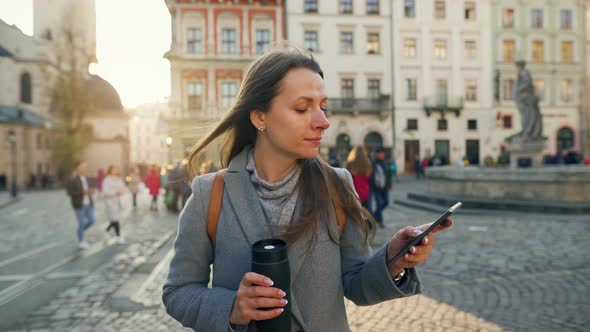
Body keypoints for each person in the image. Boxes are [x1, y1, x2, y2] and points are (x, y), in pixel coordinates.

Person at [162, 46, 452, 332]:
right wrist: (232, 308)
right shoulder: (209, 193)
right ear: (260, 117)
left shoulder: (338, 185)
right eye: (302, 108)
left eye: (323, 107)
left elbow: (356, 284)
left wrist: (393, 259)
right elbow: (178, 291)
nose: (323, 122)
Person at [66, 161, 95, 249]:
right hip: (79, 204)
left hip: (89, 203)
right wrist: (82, 192)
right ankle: (81, 241)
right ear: (77, 168)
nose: (85, 168)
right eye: (83, 166)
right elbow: (69, 192)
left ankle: (80, 231)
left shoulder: (88, 178)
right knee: (81, 223)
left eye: (85, 166)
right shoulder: (72, 179)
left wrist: (91, 191)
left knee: (91, 221)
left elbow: (92, 188)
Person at [102, 165, 126, 244]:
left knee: (115, 219)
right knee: (115, 220)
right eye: (114, 169)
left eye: (116, 169)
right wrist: (115, 193)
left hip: (118, 202)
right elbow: (105, 192)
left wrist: (121, 192)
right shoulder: (107, 180)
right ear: (110, 170)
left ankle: (107, 230)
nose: (115, 171)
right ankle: (118, 236)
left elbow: (123, 188)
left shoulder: (119, 180)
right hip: (110, 202)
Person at [370, 146, 392, 229]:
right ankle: (380, 221)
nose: (382, 155)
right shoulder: (373, 163)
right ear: (377, 154)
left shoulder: (386, 162)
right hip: (376, 187)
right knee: (379, 203)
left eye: (383, 153)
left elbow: (389, 174)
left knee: (386, 202)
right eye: (380, 154)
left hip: (385, 186)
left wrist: (389, 185)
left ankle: (374, 217)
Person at [345, 146, 372, 210]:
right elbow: (369, 178)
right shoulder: (368, 163)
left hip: (353, 192)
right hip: (365, 193)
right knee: (364, 214)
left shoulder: (350, 163)